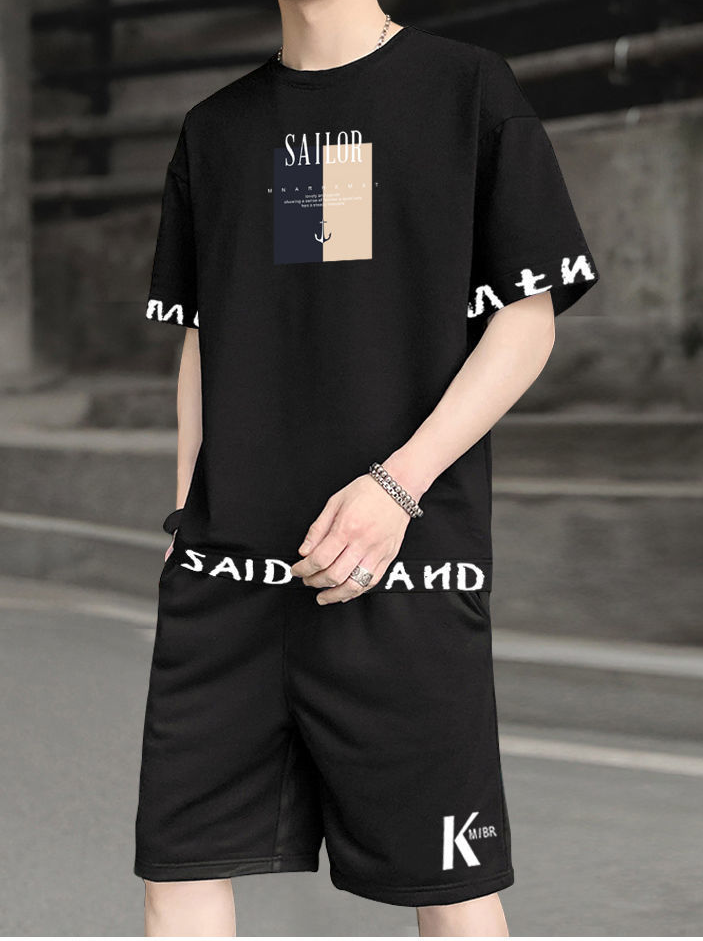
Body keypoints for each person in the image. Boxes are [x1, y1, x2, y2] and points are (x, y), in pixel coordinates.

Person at [134, 0, 600, 935]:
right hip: (229, 573)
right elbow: (201, 339)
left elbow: (525, 323)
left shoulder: (467, 91)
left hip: (404, 568)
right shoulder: (215, 129)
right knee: (179, 869)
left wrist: (397, 485)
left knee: (451, 884)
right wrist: (188, 516)